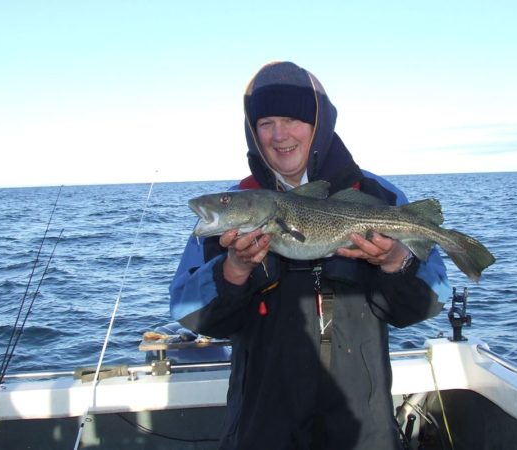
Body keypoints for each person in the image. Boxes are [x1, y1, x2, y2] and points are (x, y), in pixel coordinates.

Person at [169, 61, 450, 450]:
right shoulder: (232, 215)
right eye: (265, 122)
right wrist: (232, 271)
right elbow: (188, 310)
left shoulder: (381, 199)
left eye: (292, 119)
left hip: (360, 429)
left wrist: (395, 261)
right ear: (252, 133)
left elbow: (430, 302)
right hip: (262, 428)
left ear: (319, 126)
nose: (279, 135)